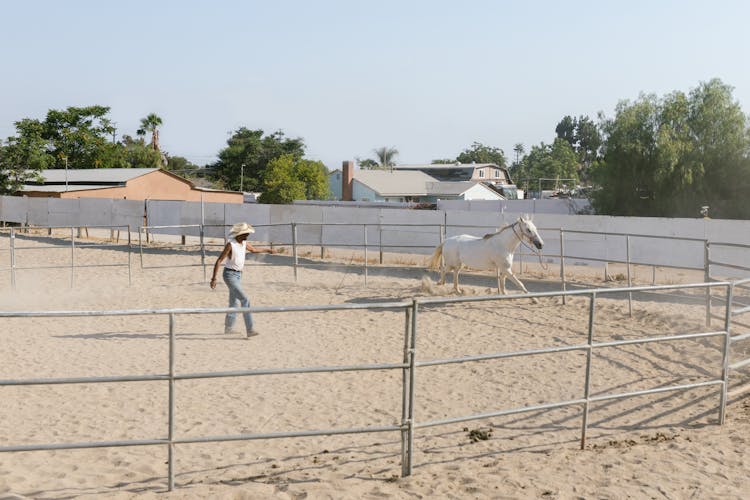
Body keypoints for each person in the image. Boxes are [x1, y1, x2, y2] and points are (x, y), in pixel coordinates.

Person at [210, 222, 274, 337]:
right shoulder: (231, 244)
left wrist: (267, 250)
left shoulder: (244, 243)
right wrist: (214, 278)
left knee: (233, 302)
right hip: (229, 275)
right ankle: (250, 329)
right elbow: (219, 260)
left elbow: (253, 250)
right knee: (245, 299)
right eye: (245, 234)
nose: (247, 236)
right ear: (239, 234)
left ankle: (228, 329)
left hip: (238, 275)